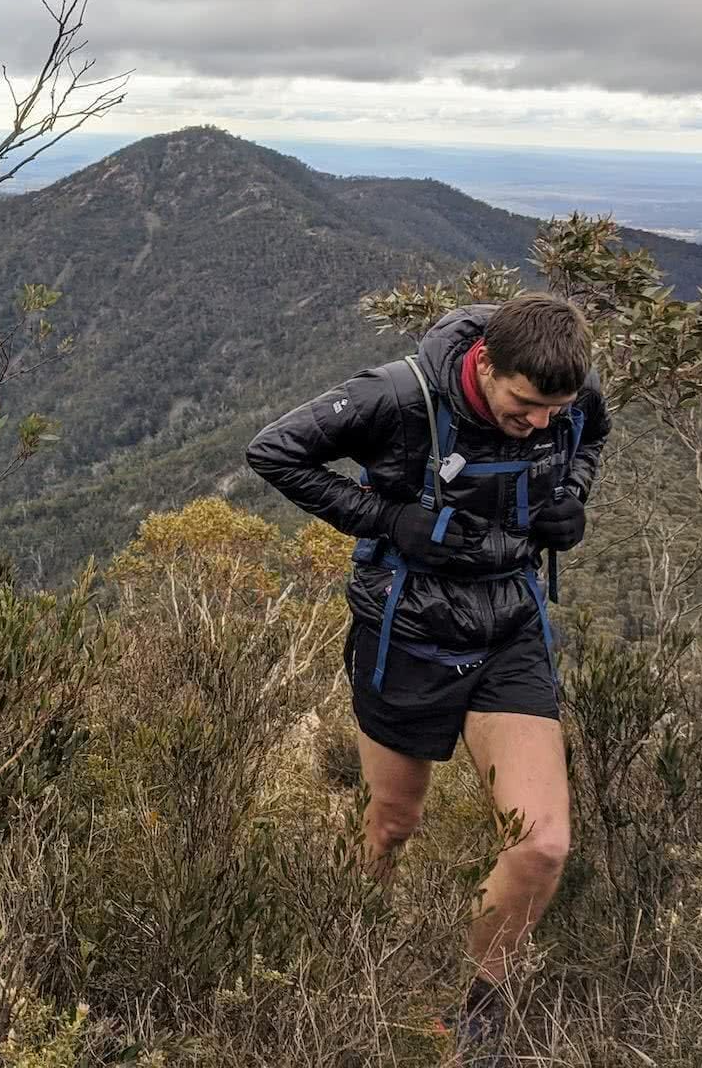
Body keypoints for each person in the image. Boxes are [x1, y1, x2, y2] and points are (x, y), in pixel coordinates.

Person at [246, 293, 608, 1059]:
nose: (542, 421)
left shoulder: (569, 394)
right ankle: (351, 960)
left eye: (556, 408)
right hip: (408, 628)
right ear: (486, 365)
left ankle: (477, 1014)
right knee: (391, 825)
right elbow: (275, 451)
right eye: (526, 405)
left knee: (542, 845)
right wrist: (389, 519)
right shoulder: (399, 395)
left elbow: (590, 434)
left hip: (511, 619)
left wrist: (571, 498)